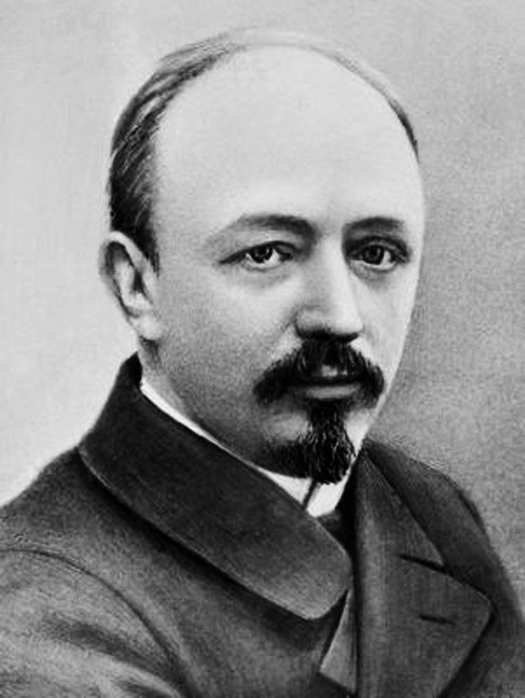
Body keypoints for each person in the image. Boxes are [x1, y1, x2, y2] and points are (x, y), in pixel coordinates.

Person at [0, 28, 523, 698]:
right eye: (267, 253)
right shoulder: (43, 610)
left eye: (376, 254)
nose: (339, 315)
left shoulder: (430, 512)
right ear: (137, 286)